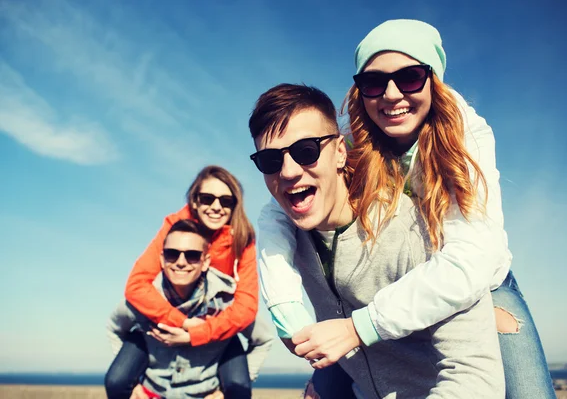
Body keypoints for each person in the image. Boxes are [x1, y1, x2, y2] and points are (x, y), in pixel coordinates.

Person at [255, 19, 555, 398]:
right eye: (374, 83)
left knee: (530, 393)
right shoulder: (345, 135)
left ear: (434, 81)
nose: (391, 95)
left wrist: (358, 327)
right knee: (333, 380)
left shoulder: (467, 138)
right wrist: (285, 307)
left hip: (480, 282)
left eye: (410, 77)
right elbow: (278, 208)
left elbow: (472, 259)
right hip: (387, 297)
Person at [248, 83, 505, 398]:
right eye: (270, 161)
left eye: (306, 151)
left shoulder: (417, 231)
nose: (287, 171)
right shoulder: (290, 234)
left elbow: (475, 378)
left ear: (341, 152)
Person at [105, 165, 273, 399]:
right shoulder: (175, 229)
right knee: (117, 381)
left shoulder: (242, 237)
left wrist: (199, 333)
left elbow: (246, 307)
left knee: (238, 388)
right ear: (194, 201)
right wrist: (183, 324)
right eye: (207, 198)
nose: (216, 206)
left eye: (226, 201)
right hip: (175, 317)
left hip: (218, 321)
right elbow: (136, 285)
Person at [108, 219, 236, 398]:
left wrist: (223, 393)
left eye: (192, 255)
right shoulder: (142, 300)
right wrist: (132, 383)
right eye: (172, 254)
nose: (181, 262)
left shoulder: (225, 301)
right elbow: (114, 327)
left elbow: (262, 340)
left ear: (205, 261)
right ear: (161, 258)